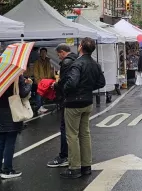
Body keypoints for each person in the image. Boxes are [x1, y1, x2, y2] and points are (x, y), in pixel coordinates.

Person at [60, 37, 106, 179]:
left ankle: (74, 167)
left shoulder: (77, 64)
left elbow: (72, 83)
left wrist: (64, 88)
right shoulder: (95, 64)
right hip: (87, 101)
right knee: (85, 134)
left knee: (72, 135)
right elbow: (101, 82)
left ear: (80, 47)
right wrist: (88, 88)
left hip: (74, 102)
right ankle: (86, 165)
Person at [0, 74, 32, 179]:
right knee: (10, 142)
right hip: (12, 112)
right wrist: (29, 85)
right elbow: (23, 93)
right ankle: (7, 170)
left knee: (0, 142)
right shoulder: (16, 76)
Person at [47, 44, 77, 168]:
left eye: (59, 54)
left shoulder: (66, 63)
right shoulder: (78, 60)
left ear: (62, 52)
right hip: (82, 99)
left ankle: (64, 156)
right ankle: (77, 156)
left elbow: (66, 82)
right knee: (78, 130)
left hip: (68, 99)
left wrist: (56, 85)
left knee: (65, 128)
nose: (58, 57)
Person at [29, 48, 56, 115]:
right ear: (40, 53)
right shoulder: (37, 62)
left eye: (44, 52)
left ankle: (42, 106)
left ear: (46, 53)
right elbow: (35, 72)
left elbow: (50, 70)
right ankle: (39, 107)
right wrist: (38, 81)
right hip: (40, 81)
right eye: (42, 52)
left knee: (43, 94)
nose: (43, 53)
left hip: (46, 81)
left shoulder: (48, 61)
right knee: (39, 94)